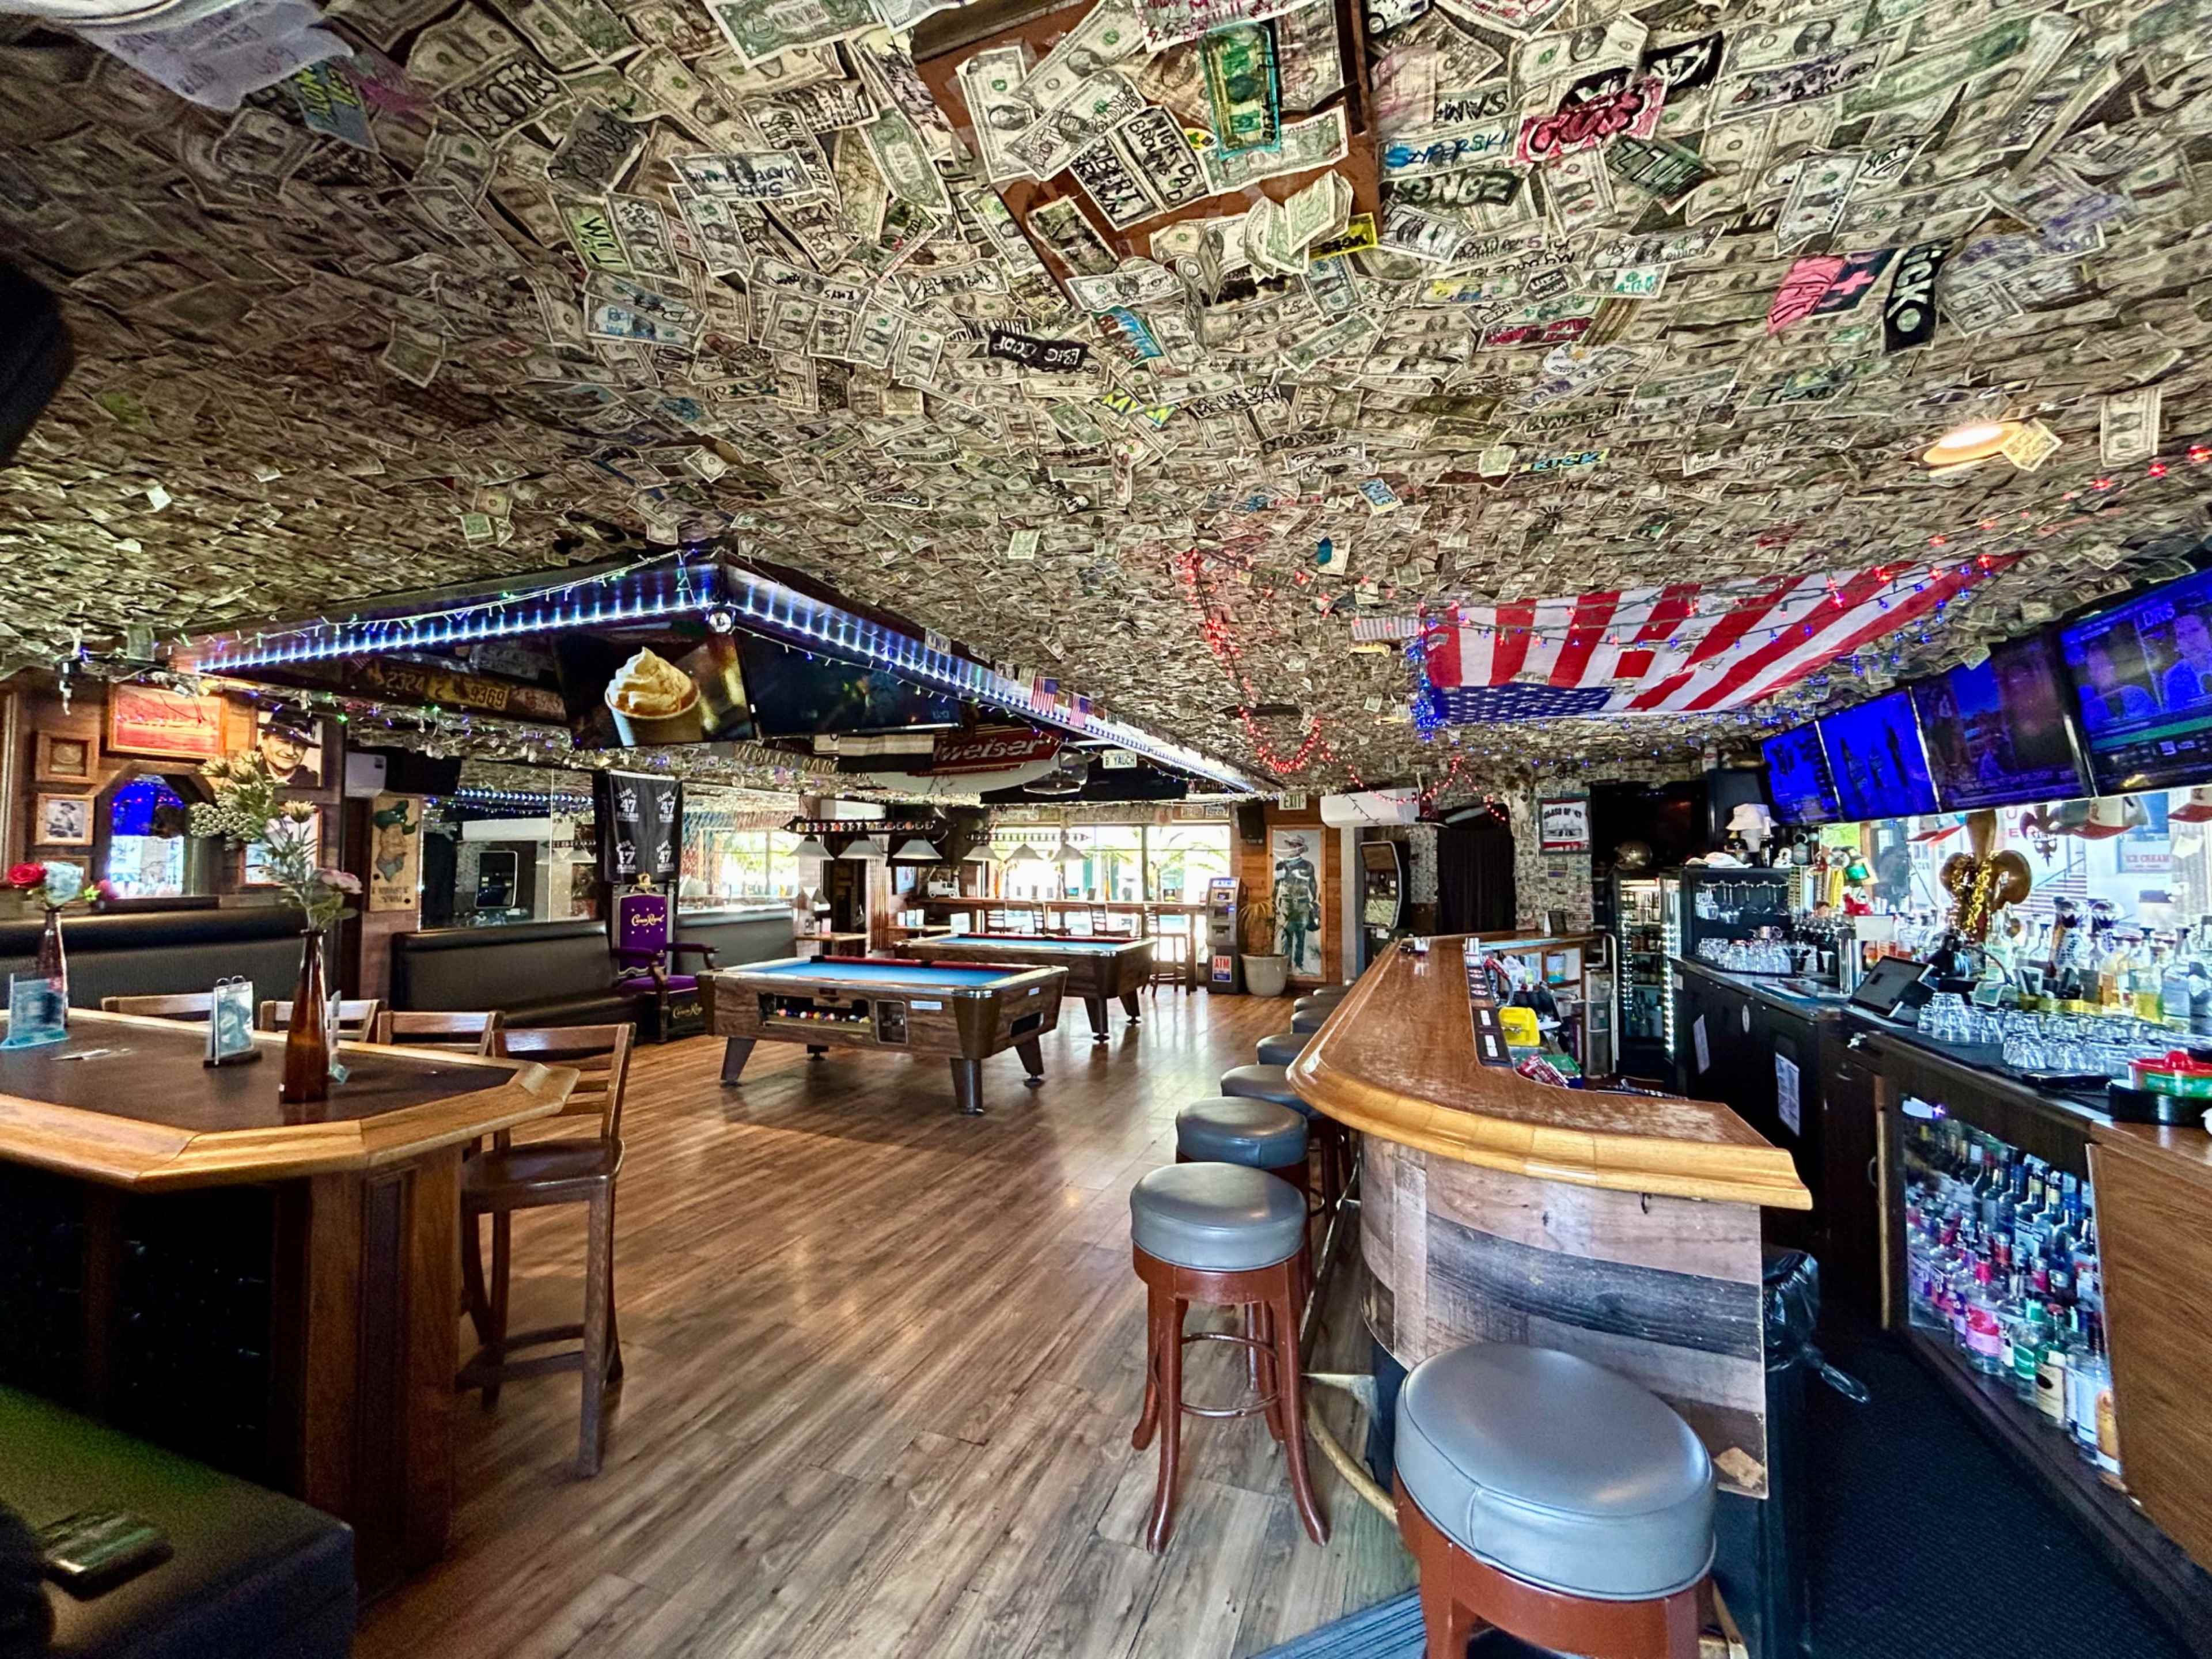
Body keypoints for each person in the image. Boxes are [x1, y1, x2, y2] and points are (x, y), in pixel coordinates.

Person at [256, 707, 320, 787]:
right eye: (283, 741)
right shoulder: (246, 774)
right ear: (264, 740)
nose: (291, 752)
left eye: (299, 745)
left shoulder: (315, 783)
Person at [2160, 611, 2212, 710]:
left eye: (2194, 630)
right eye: (2181, 635)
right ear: (2177, 644)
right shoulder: (2173, 677)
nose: (2190, 640)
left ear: (2208, 631)